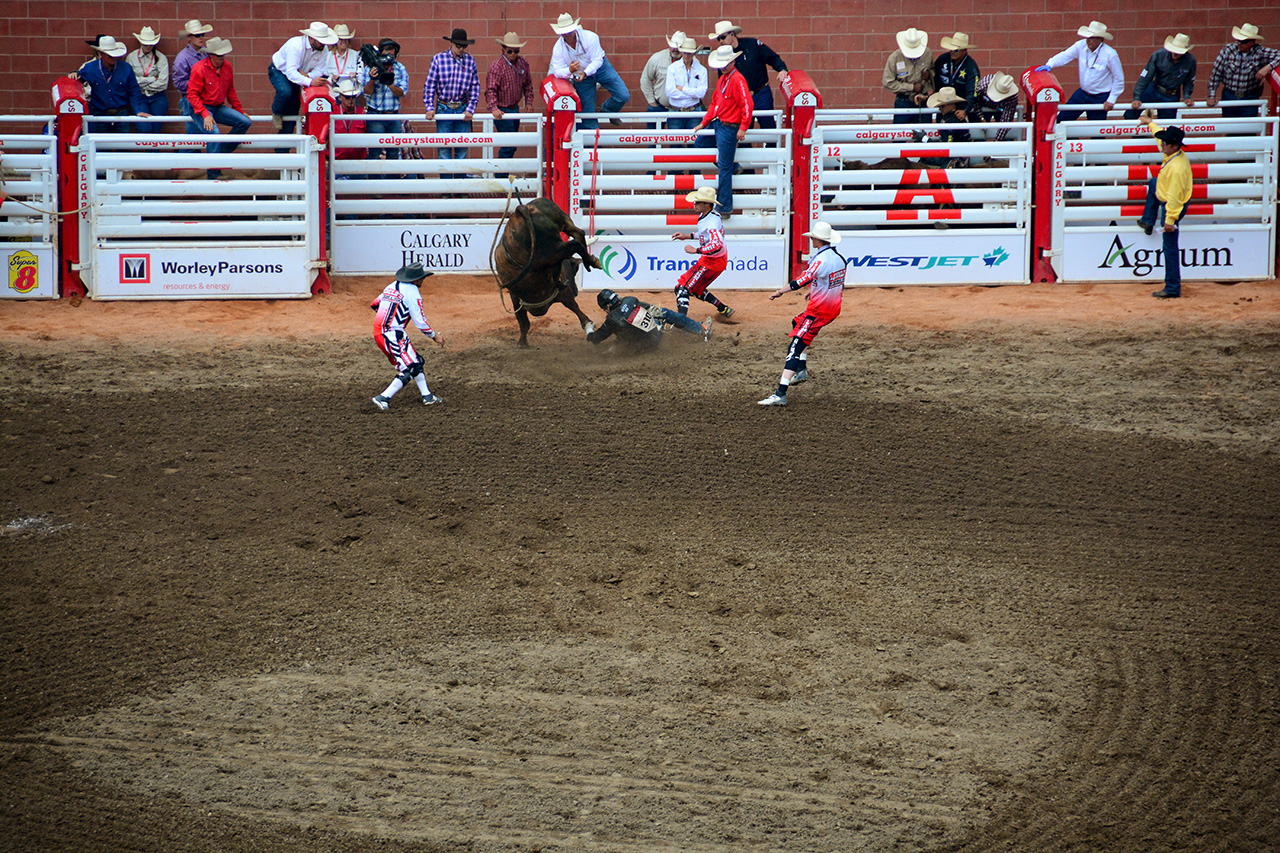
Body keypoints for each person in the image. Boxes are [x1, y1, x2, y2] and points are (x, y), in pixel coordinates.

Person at [758, 221, 847, 407]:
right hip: (832, 308)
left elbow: (800, 281)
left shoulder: (820, 260)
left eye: (813, 237)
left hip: (819, 310)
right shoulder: (839, 258)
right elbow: (834, 282)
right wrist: (814, 290)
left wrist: (780, 292)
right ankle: (801, 369)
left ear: (817, 240)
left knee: (794, 346)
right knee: (796, 322)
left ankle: (780, 393)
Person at [370, 262, 445, 410]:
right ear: (416, 280)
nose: (422, 281)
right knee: (409, 368)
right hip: (392, 334)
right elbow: (421, 323)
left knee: (417, 362)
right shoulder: (413, 292)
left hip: (384, 331)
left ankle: (427, 396)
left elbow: (375, 304)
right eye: (421, 278)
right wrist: (434, 336)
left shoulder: (391, 286)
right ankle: (383, 397)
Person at [691, 45, 752, 219]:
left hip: (729, 126)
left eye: (726, 63)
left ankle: (724, 208)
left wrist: (743, 127)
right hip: (721, 124)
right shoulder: (725, 79)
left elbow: (746, 105)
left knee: (723, 169)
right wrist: (704, 123)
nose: (723, 66)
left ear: (733, 61)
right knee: (701, 144)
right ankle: (734, 168)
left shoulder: (736, 80)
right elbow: (714, 104)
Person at [1136, 118, 1193, 299]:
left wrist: (1169, 220)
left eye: (1165, 143)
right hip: (1170, 196)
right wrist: (1150, 123)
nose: (1162, 145)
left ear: (1174, 146)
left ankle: (1172, 287)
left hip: (1172, 205)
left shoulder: (1176, 168)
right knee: (1154, 182)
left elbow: (1175, 198)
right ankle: (1147, 221)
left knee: (1169, 247)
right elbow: (1158, 137)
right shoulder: (1175, 154)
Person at [548, 13, 630, 129]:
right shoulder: (558, 48)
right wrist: (569, 70)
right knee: (587, 113)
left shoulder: (591, 37)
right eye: (564, 32)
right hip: (581, 77)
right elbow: (557, 71)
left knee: (623, 95)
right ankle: (593, 142)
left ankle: (608, 110)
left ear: (574, 29)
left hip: (601, 69)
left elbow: (597, 60)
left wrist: (585, 72)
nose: (567, 34)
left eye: (569, 31)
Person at [184, 37, 250, 178]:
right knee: (213, 134)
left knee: (244, 122)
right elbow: (192, 94)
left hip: (217, 106)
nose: (222, 59)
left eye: (223, 56)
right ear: (211, 56)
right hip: (201, 107)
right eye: (219, 56)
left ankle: (218, 156)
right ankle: (213, 173)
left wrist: (239, 109)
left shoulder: (227, 67)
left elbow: (230, 90)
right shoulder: (199, 69)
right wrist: (204, 114)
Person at [1035, 21, 1124, 121]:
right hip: (1082, 93)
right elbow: (1065, 55)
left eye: (1091, 38)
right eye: (1087, 38)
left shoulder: (1110, 54)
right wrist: (1050, 64)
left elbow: (1119, 79)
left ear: (1100, 39)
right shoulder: (1080, 46)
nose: (1088, 41)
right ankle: (1071, 137)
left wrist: (1111, 99)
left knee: (1096, 131)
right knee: (1061, 120)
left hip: (1100, 97)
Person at [707, 21, 787, 130]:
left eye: (723, 37)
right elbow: (723, 80)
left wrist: (781, 69)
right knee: (744, 130)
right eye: (719, 39)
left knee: (768, 127)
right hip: (741, 97)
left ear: (732, 34)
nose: (721, 41)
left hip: (761, 93)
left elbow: (772, 57)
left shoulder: (752, 44)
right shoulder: (723, 55)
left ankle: (771, 146)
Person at [670, 186, 735, 319]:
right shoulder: (709, 215)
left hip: (712, 262)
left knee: (682, 289)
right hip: (713, 260)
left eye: (698, 202)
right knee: (695, 289)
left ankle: (682, 321)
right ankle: (723, 309)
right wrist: (687, 236)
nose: (695, 204)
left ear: (707, 204)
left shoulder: (711, 222)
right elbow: (705, 236)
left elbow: (717, 244)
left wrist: (696, 250)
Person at [424, 28, 481, 179]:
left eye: (464, 46)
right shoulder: (438, 59)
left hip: (462, 107)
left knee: (462, 149)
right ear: (451, 44)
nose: (461, 49)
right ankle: (446, 187)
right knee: (444, 149)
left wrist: (470, 109)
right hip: (444, 107)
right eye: (458, 46)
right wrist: (430, 108)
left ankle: (460, 187)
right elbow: (430, 85)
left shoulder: (470, 61)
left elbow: (475, 87)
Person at [586, 288, 711, 351]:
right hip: (656, 336)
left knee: (621, 338)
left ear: (606, 307)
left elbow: (595, 339)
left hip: (639, 349)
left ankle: (617, 350)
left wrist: (589, 329)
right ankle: (701, 329)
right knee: (665, 313)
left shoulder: (611, 320)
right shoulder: (630, 300)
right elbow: (650, 308)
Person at [270, 21, 336, 133]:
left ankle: (282, 148)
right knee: (285, 91)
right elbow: (291, 72)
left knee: (294, 107)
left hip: (299, 74)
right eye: (321, 41)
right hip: (279, 70)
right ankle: (276, 112)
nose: (323, 44)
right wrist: (310, 81)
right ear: (311, 39)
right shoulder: (295, 46)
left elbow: (320, 68)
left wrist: (308, 77)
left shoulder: (322, 49)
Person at [76, 36, 149, 133]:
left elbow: (134, 90)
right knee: (100, 146)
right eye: (110, 56)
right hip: (99, 115)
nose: (114, 58)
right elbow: (78, 78)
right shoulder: (90, 68)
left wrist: (137, 110)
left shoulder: (126, 68)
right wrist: (74, 74)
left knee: (123, 146)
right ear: (102, 54)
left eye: (115, 55)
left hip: (121, 114)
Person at [1206, 23, 1280, 118]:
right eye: (1238, 40)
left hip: (1250, 96)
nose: (1239, 43)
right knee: (1230, 128)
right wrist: (1211, 96)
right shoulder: (1227, 50)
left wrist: (1267, 68)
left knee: (1249, 128)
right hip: (1230, 95)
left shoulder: (1260, 52)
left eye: (1243, 41)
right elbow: (1216, 74)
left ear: (1252, 42)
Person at [486, 32, 535, 167]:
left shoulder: (523, 64)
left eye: (516, 51)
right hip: (502, 110)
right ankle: (501, 174)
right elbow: (490, 90)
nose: (513, 54)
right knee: (509, 144)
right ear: (503, 49)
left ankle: (502, 173)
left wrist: (528, 102)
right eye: (510, 51)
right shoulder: (497, 66)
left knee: (511, 144)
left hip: (514, 108)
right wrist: (494, 108)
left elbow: (528, 85)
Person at [1126, 33, 1197, 120]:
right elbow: (1145, 76)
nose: (1175, 53)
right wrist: (1137, 97)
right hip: (1154, 88)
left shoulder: (1190, 60)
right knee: (1130, 114)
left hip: (1172, 94)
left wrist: (1187, 96)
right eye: (1174, 50)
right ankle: (1137, 132)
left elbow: (1189, 80)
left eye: (1179, 51)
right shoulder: (1158, 55)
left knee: (1166, 123)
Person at [363, 38, 409, 164]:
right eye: (386, 52)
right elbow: (366, 92)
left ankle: (391, 181)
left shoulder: (400, 68)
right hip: (375, 115)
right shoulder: (371, 67)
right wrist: (372, 79)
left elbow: (402, 92)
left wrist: (391, 85)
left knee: (393, 152)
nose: (389, 56)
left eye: (391, 53)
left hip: (393, 115)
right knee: (375, 152)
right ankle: (374, 182)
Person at [883, 28, 933, 124]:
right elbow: (888, 82)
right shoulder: (895, 58)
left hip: (923, 100)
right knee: (899, 134)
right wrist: (911, 87)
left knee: (924, 135)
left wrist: (929, 74)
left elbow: (934, 70)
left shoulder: (927, 54)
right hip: (904, 100)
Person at [126, 26, 169, 133]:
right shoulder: (131, 57)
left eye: (151, 44)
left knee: (156, 131)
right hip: (139, 96)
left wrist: (141, 83)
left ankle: (154, 150)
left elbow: (163, 83)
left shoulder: (161, 57)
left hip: (158, 97)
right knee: (143, 129)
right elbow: (130, 81)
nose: (148, 47)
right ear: (140, 42)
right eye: (146, 44)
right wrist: (151, 79)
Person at [934, 32, 979, 120]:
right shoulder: (942, 59)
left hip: (961, 109)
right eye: (951, 49)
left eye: (956, 50)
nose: (952, 52)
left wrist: (965, 110)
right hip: (944, 107)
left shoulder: (971, 67)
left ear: (965, 50)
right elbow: (935, 79)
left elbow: (973, 91)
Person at [665, 36, 707, 130]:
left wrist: (683, 89)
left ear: (694, 54)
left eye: (690, 53)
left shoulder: (701, 70)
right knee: (675, 143)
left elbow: (701, 93)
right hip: (676, 110)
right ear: (681, 53)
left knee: (694, 142)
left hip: (694, 110)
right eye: (685, 53)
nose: (687, 56)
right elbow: (669, 92)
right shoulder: (672, 68)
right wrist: (693, 93)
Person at [172, 19, 213, 116]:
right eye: (197, 35)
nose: (201, 38)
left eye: (202, 34)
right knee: (194, 130)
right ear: (189, 37)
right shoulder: (182, 58)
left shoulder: (205, 52)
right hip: (189, 100)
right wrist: (199, 83)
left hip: (205, 98)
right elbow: (178, 83)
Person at [641, 32, 684, 120]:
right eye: (673, 46)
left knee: (677, 134)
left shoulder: (693, 62)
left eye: (679, 47)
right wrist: (652, 102)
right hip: (658, 106)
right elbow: (645, 79)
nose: (675, 49)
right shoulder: (657, 58)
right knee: (652, 134)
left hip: (681, 109)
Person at [974, 72, 1019, 141]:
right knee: (979, 134)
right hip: (983, 107)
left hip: (1002, 109)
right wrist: (981, 118)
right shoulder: (983, 85)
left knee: (1007, 136)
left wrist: (996, 143)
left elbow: (1006, 123)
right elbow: (974, 101)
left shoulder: (1012, 98)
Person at [332, 78, 367, 163]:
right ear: (340, 98)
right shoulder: (333, 113)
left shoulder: (362, 112)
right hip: (336, 161)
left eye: (353, 97)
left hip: (359, 161)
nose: (351, 100)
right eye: (347, 97)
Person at [325, 24, 364, 91]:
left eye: (346, 39)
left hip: (351, 93)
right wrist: (331, 79)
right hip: (334, 93)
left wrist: (356, 75)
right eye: (340, 39)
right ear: (335, 40)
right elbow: (323, 77)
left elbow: (362, 77)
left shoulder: (356, 55)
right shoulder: (328, 56)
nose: (343, 42)